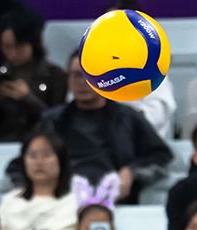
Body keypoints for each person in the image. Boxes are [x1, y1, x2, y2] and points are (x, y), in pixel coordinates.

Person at [41, 57, 172, 204]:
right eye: (77, 75)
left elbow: (161, 156)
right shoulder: (52, 120)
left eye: (90, 75)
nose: (83, 82)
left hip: (116, 201)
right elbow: (27, 159)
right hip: (61, 199)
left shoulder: (127, 117)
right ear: (68, 79)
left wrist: (132, 172)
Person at [0, 10, 64, 143]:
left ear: (32, 43)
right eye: (7, 47)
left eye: (19, 46)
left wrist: (28, 98)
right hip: (1, 143)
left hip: (41, 142)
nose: (13, 53)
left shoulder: (54, 74)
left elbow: (59, 121)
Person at [0, 128, 78, 230]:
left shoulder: (80, 201)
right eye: (32, 156)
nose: (39, 162)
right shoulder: (8, 202)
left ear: (61, 160)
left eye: (46, 155)